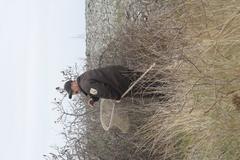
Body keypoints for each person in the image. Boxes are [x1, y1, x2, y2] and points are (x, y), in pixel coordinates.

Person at [64, 65, 135, 107]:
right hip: (122, 72)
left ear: (73, 83)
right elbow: (97, 84)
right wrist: (94, 99)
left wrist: (117, 97)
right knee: (144, 77)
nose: (75, 93)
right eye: (73, 93)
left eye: (72, 91)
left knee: (145, 91)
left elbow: (105, 91)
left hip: (123, 83)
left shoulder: (85, 86)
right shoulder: (83, 77)